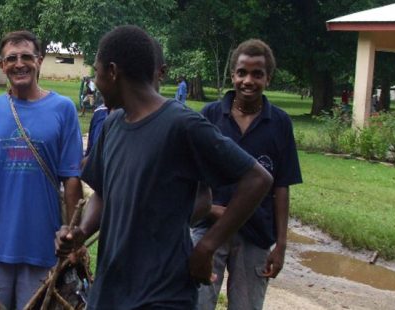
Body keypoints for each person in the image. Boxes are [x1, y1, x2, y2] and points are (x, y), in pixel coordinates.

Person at [55, 25, 273, 309]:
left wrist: (207, 246)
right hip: (111, 290)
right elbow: (102, 194)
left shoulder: (181, 124)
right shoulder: (112, 125)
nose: (95, 82)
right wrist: (81, 233)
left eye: (96, 73)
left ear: (112, 71)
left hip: (162, 294)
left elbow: (258, 179)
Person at [0, 30, 83, 310]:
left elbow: (71, 179)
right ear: (1, 64)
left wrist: (72, 234)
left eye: (27, 57)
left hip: (44, 244)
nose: (20, 64)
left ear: (39, 61)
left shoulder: (63, 109)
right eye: (12, 58)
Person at [196, 39, 303, 310]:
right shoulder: (209, 116)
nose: (248, 80)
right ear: (232, 75)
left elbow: (281, 187)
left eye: (257, 74)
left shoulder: (279, 124)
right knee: (196, 302)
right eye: (242, 73)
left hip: (255, 234)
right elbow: (191, 177)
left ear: (268, 78)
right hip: (209, 231)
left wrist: (281, 245)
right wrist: (210, 210)